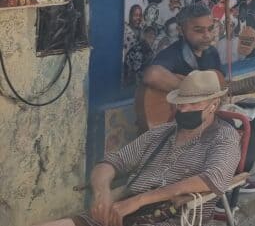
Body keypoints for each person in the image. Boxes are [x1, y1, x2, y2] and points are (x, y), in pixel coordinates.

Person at [37, 70, 241, 226]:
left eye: (192, 104)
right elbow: (111, 162)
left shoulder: (224, 137)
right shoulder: (161, 133)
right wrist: (101, 193)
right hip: (123, 211)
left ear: (214, 104)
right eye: (181, 104)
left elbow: (212, 178)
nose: (183, 110)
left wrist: (141, 200)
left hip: (171, 218)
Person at [142, 5, 255, 197]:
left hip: (208, 114)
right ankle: (220, 189)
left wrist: (252, 85)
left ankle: (237, 177)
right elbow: (152, 75)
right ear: (181, 30)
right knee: (228, 123)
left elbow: (220, 88)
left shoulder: (211, 54)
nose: (207, 35)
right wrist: (193, 91)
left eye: (210, 29)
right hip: (180, 120)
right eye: (198, 30)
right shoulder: (174, 53)